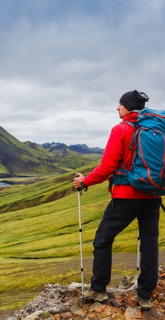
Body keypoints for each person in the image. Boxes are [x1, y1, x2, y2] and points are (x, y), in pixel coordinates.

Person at [73, 90, 162, 310]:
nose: (117, 108)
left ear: (128, 107)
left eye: (120, 104)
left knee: (103, 238)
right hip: (152, 194)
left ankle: (99, 289)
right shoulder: (157, 129)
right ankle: (144, 297)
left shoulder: (121, 129)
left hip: (126, 196)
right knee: (150, 244)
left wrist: (84, 182)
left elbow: (107, 168)